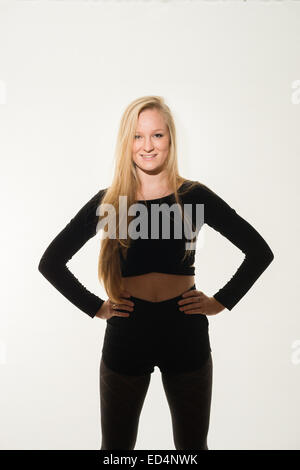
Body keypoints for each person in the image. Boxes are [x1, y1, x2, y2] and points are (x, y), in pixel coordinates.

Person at [38, 96, 274, 450]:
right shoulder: (110, 201)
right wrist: (97, 307)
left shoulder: (194, 196)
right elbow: (51, 261)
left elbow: (259, 252)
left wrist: (219, 302)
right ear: (126, 142)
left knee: (192, 449)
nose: (147, 146)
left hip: (184, 328)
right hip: (128, 331)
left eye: (157, 135)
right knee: (115, 450)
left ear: (170, 139)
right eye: (137, 136)